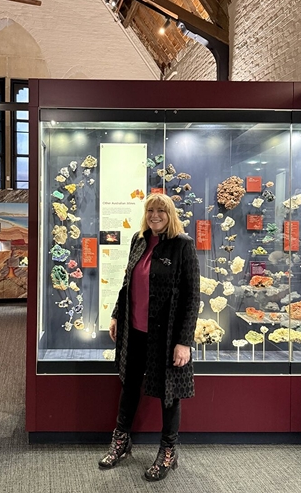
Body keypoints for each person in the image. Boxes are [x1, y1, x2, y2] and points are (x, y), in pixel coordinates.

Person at [99, 193, 199, 482]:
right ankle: (121, 441)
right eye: (151, 210)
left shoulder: (183, 246)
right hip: (135, 331)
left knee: (169, 395)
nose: (155, 215)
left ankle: (168, 451)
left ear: (170, 214)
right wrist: (118, 314)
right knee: (129, 386)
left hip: (166, 337)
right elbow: (126, 283)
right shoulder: (139, 241)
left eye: (161, 211)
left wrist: (184, 341)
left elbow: (192, 297)